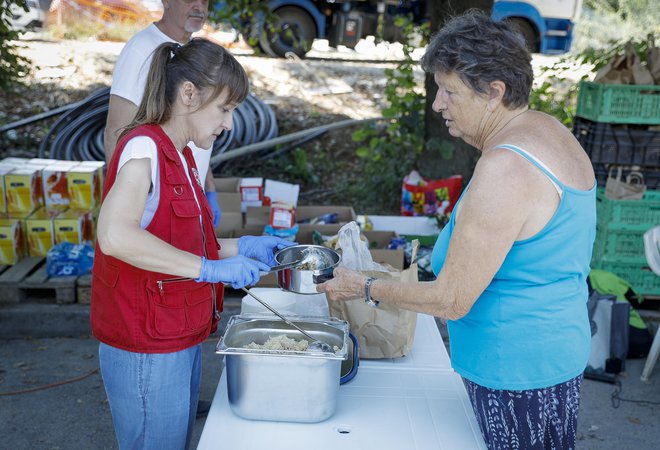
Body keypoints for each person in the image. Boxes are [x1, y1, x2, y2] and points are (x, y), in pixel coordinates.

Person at [318, 10, 596, 450]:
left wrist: (365, 286)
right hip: (550, 358)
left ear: (494, 93)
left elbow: (453, 299)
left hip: (514, 375)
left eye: (449, 91)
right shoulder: (547, 130)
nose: (437, 104)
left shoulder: (507, 167)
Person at [92, 38, 294, 450]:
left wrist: (242, 247)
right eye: (225, 108)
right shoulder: (144, 147)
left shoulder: (181, 155)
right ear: (188, 94)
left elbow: (183, 244)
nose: (229, 123)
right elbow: (115, 235)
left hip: (176, 338)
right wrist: (210, 269)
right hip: (147, 347)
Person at [103, 0, 223, 228]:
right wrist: (125, 205)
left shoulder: (195, 53)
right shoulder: (141, 49)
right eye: (190, 0)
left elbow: (196, 129)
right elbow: (116, 129)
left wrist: (208, 186)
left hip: (187, 196)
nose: (199, 7)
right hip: (154, 203)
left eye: (204, 0)